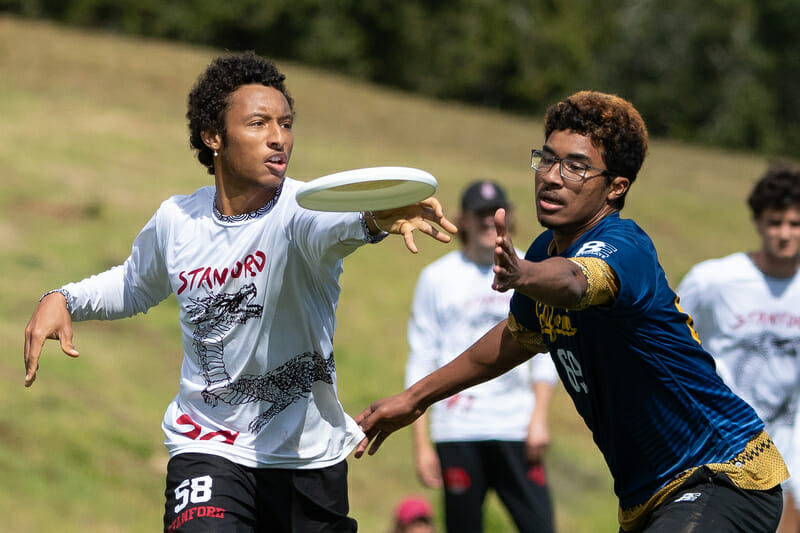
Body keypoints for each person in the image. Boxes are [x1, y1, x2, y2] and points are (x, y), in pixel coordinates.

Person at [22, 51, 457, 532]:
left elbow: (334, 226)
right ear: (213, 137)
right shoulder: (178, 220)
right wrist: (62, 298)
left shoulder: (301, 211)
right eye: (258, 123)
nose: (278, 137)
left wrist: (373, 218)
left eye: (286, 124)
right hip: (207, 446)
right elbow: (133, 283)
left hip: (306, 458)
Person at [353, 90, 789, 533]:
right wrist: (414, 399)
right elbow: (513, 340)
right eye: (547, 159)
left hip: (721, 471)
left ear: (616, 186)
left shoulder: (624, 246)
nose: (552, 177)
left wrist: (524, 274)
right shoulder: (545, 249)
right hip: (647, 496)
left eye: (576, 166)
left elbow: (576, 281)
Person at [405, 180, 558, 533]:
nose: (489, 221)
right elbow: (421, 357)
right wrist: (422, 443)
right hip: (457, 429)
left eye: (496, 213)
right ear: (465, 220)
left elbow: (545, 352)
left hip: (515, 425)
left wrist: (540, 417)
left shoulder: (529, 269)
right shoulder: (437, 278)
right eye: (480, 214)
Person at [675, 162, 800, 532]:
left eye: (795, 224)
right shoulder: (715, 280)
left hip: (789, 451)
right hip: (723, 450)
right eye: (775, 222)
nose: (784, 234)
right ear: (759, 222)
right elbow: (670, 341)